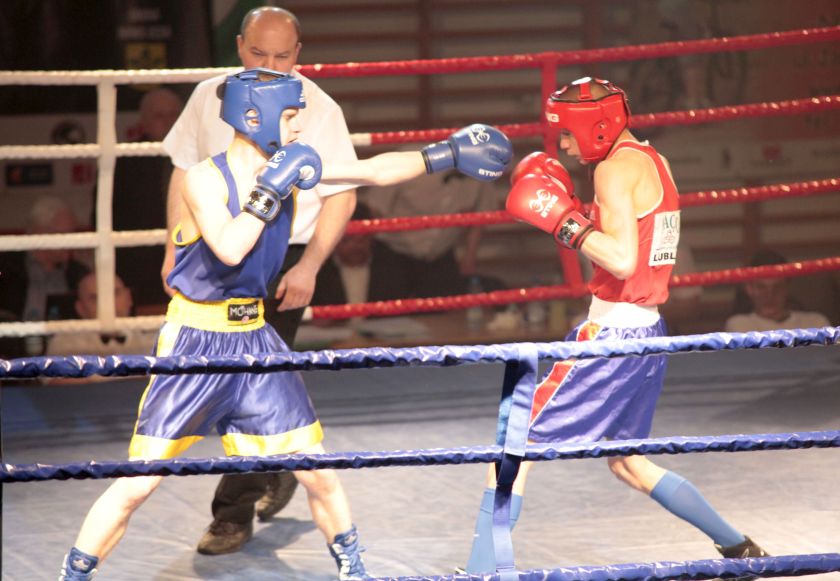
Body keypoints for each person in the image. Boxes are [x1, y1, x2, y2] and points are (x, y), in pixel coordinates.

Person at [59, 68, 511, 581]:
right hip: (196, 342)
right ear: (255, 116)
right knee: (139, 482)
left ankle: (355, 571)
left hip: (256, 340)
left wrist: (444, 154)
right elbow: (230, 248)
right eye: (291, 115)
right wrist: (270, 188)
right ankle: (72, 575)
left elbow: (373, 171)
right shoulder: (204, 178)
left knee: (318, 474)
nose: (298, 126)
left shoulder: (293, 166)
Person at [463, 77, 767, 574]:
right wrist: (576, 215)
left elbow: (623, 260)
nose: (563, 146)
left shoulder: (612, 170)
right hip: (648, 332)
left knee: (513, 444)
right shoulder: (653, 160)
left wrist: (563, 220)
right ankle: (738, 547)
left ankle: (480, 570)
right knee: (628, 462)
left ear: (595, 127)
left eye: (567, 134)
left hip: (612, 335)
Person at [159, 6, 363, 554]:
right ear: (238, 47)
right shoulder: (210, 95)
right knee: (216, 383)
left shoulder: (318, 108)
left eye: (282, 56)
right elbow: (183, 169)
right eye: (258, 53)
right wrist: (173, 245)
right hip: (211, 248)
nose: (270, 65)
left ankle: (233, 513)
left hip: (279, 254)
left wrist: (309, 265)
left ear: (299, 54)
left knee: (259, 378)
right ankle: (282, 463)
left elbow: (345, 190)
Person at [362, 168, 500, 301]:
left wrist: (469, 257)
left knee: (442, 312)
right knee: (386, 311)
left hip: (440, 255)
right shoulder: (409, 162)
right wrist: (361, 247)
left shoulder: (481, 169)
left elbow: (480, 216)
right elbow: (374, 209)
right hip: (392, 253)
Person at [112, 88, 184, 309]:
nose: (168, 121)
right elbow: (110, 215)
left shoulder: (199, 154)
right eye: (160, 116)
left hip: (189, 256)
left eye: (173, 114)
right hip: (140, 266)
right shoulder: (126, 159)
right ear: (144, 120)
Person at [0, 196, 90, 355]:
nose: (70, 241)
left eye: (72, 234)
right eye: (63, 234)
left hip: (67, 355)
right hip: (12, 354)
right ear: (39, 232)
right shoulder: (7, 267)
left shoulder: (79, 273)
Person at [46, 272, 158, 359]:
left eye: (115, 293)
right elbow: (56, 379)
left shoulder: (153, 342)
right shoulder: (64, 344)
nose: (108, 304)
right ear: (81, 308)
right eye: (95, 298)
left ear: (129, 298)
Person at [725, 249, 830, 333]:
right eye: (762, 287)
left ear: (787, 288)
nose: (769, 295)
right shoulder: (740, 325)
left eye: (778, 287)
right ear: (749, 288)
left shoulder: (816, 323)